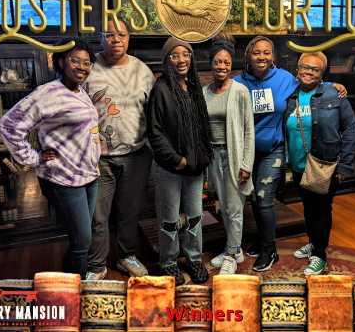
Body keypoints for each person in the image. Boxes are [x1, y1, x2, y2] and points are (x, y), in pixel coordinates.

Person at [234, 36, 347, 272]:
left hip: (273, 149)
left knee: (264, 199)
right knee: (254, 198)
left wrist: (333, 85)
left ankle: (269, 249)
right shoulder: (238, 83)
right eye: (257, 52)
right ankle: (262, 238)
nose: (262, 57)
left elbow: (313, 82)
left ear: (273, 56)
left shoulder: (285, 79)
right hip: (245, 151)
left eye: (267, 52)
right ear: (248, 55)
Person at [0, 39, 100, 279]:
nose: (82, 67)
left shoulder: (80, 91)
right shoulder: (47, 93)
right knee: (82, 239)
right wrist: (33, 157)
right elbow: (8, 126)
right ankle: (76, 290)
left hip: (89, 175)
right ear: (62, 62)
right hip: (64, 178)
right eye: (75, 61)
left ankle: (71, 280)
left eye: (87, 63)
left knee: (81, 237)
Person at [84, 19, 155, 280]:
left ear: (129, 38)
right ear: (100, 38)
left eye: (121, 35)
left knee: (129, 212)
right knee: (98, 215)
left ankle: (126, 256)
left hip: (136, 155)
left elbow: (155, 113)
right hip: (98, 158)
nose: (116, 39)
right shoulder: (88, 69)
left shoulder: (142, 71)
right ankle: (96, 265)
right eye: (109, 35)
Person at [284, 51, 355, 275]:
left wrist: (345, 164)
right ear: (297, 69)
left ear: (322, 74)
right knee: (308, 208)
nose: (308, 72)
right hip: (299, 165)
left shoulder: (333, 94)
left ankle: (320, 255)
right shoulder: (290, 94)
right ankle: (313, 243)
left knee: (321, 211)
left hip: (324, 166)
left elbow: (351, 127)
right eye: (304, 67)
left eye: (314, 69)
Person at [147, 37, 213, 286]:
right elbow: (155, 132)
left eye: (186, 54)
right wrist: (177, 160)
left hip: (195, 167)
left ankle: (194, 258)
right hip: (171, 168)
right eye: (175, 55)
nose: (181, 59)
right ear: (167, 61)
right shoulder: (161, 89)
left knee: (196, 216)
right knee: (169, 219)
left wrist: (201, 157)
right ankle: (169, 262)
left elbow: (202, 127)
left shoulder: (195, 87)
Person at [203, 39, 255, 275]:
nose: (221, 66)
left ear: (231, 64)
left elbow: (248, 130)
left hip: (233, 156)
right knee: (223, 207)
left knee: (234, 208)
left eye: (226, 62)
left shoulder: (240, 91)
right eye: (217, 61)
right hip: (213, 156)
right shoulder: (204, 92)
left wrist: (247, 164)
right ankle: (233, 249)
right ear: (211, 64)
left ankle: (232, 255)